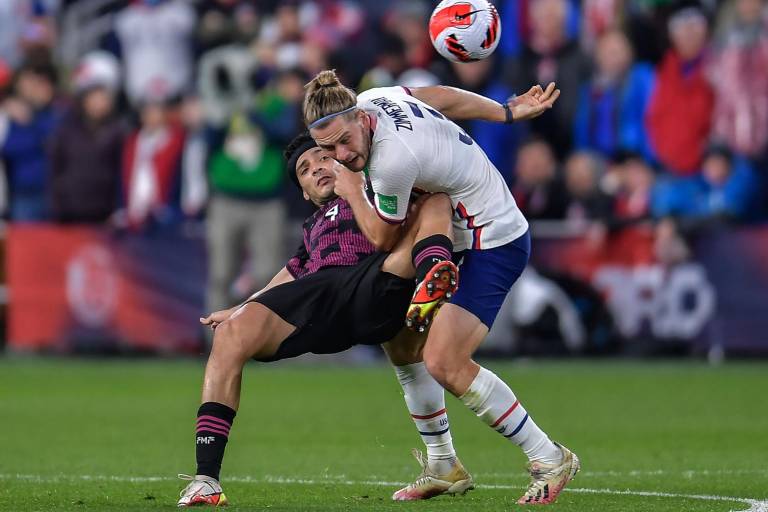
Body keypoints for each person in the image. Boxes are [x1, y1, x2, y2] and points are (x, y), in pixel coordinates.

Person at [304, 70, 579, 505]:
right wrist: (504, 112)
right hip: (461, 226)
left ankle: (548, 456)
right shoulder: (378, 97)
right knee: (400, 344)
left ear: (360, 118)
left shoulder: (392, 160)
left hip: (491, 239)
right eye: (327, 149)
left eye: (344, 141)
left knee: (445, 361)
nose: (341, 154)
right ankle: (442, 464)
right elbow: (442, 97)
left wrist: (353, 189)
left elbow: (381, 237)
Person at [177, 132, 472, 507]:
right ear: (303, 192)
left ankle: (433, 273)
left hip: (376, 279)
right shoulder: (313, 228)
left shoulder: (380, 189)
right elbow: (287, 276)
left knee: (435, 201)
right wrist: (240, 309)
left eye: (322, 158)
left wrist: (357, 186)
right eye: (305, 169)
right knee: (230, 336)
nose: (316, 168)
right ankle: (206, 480)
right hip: (322, 295)